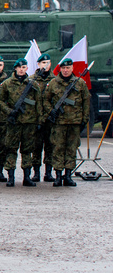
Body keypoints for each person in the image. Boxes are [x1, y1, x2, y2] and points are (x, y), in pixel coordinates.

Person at [42, 58, 90, 187]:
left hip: (74, 122)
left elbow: (86, 102)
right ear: (60, 69)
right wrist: (50, 111)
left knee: (71, 149)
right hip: (58, 122)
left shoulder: (79, 83)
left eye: (68, 68)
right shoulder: (53, 83)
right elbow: (45, 100)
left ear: (72, 68)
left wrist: (84, 119)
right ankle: (58, 176)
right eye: (63, 68)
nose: (65, 70)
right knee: (57, 148)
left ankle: (68, 175)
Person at [0, 58, 41, 187]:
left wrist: (39, 121)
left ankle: (27, 177)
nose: (21, 70)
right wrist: (9, 111)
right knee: (11, 149)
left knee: (27, 150)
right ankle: (11, 177)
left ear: (27, 68)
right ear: (15, 68)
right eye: (19, 67)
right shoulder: (7, 84)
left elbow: (39, 103)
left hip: (29, 122)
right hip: (13, 122)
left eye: (24, 67)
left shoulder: (33, 84)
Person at [30, 54, 55, 182]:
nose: (45, 65)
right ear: (38, 64)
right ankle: (36, 173)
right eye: (43, 62)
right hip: (35, 119)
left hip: (50, 118)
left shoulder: (55, 80)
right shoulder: (32, 80)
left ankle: (48, 173)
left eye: (48, 62)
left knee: (50, 146)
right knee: (36, 147)